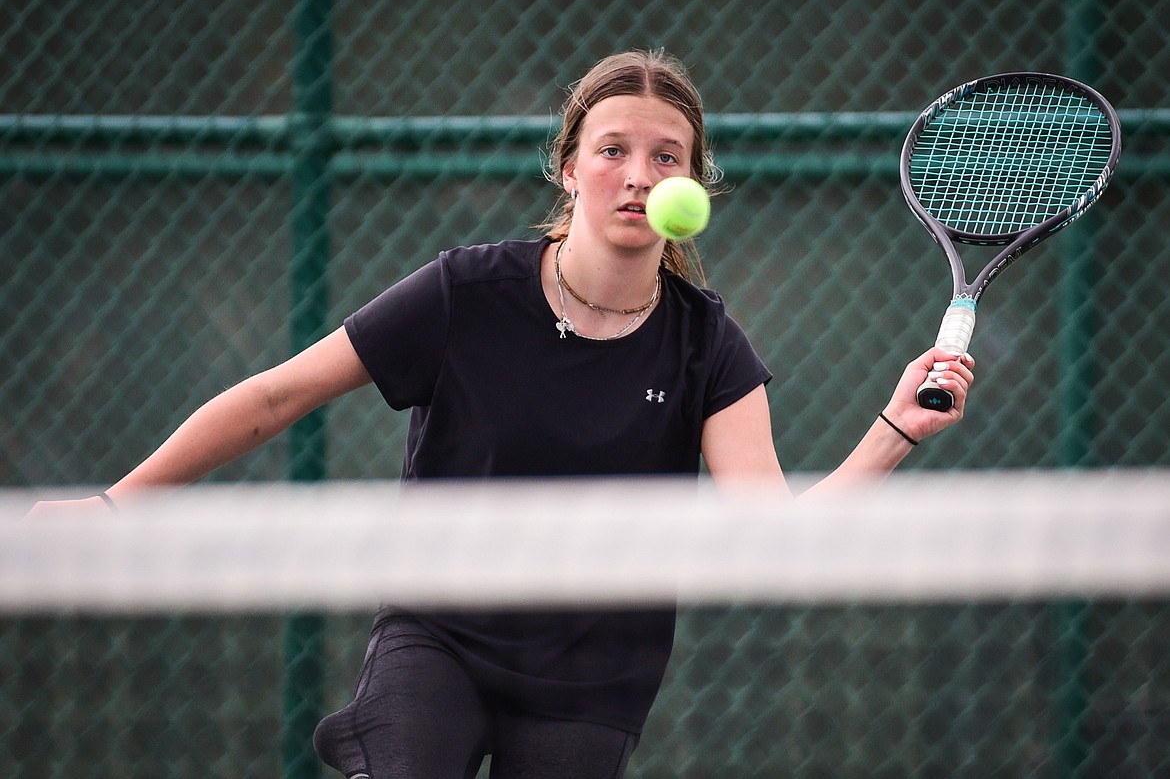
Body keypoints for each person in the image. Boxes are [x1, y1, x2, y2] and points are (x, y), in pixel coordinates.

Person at [28, 49, 975, 778]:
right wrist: (118, 506)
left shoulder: (706, 347)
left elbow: (771, 540)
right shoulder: (463, 293)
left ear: (694, 184)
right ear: (569, 169)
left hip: (593, 678)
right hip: (441, 632)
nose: (639, 175)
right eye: (613, 151)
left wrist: (891, 432)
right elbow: (277, 395)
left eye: (665, 156)